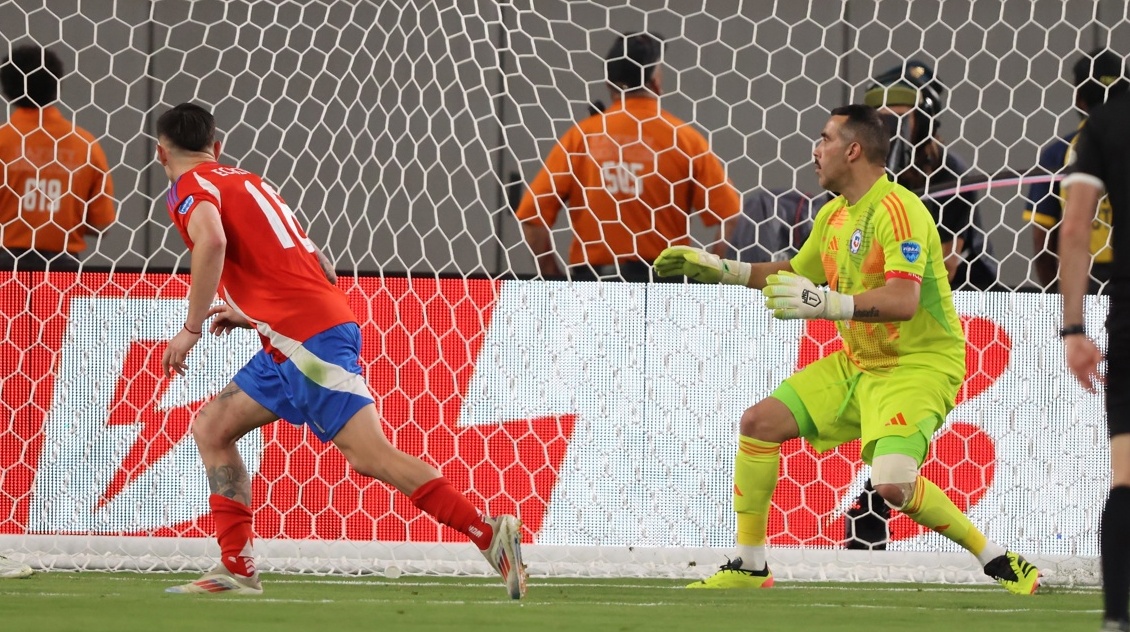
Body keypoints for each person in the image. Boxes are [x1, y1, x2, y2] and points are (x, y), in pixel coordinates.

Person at [653, 104, 1040, 594]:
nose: (815, 152)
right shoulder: (834, 215)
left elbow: (903, 300)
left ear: (853, 150)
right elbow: (794, 272)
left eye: (824, 139)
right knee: (758, 424)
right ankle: (750, 565)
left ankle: (998, 559)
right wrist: (718, 267)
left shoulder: (900, 210)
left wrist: (829, 304)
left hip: (916, 365)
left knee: (893, 484)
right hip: (858, 361)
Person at [153, 103, 526, 598]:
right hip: (291, 339)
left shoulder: (190, 188)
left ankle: (487, 531)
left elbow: (212, 241)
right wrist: (255, 313)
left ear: (161, 154)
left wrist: (191, 328)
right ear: (216, 147)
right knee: (212, 427)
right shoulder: (250, 182)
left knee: (371, 456)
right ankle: (236, 568)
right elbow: (317, 265)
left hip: (306, 343)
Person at [515, 32, 741, 282]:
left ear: (610, 83)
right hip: (665, 287)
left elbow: (531, 216)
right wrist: (710, 278)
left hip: (594, 287)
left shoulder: (581, 137)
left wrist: (552, 276)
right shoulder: (684, 139)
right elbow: (730, 217)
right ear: (655, 79)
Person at [1059, 75, 1130, 632]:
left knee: (1126, 477)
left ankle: (1115, 620)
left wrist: (1074, 328)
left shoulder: (1105, 122)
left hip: (1129, 318)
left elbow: (1076, 228)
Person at [863, 60, 1000, 292]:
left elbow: (945, 270)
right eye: (882, 119)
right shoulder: (857, 170)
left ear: (924, 123)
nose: (891, 130)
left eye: (900, 119)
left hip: (961, 296)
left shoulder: (950, 172)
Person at [0, 44, 115, 270]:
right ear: (56, 85)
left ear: (7, 90)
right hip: (63, 269)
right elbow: (102, 224)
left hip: (5, 266)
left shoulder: (3, 141)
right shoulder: (85, 144)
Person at [1025, 48, 1127, 294]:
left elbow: (1043, 241)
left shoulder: (1058, 154)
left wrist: (1057, 298)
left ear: (1079, 98)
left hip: (1082, 278)